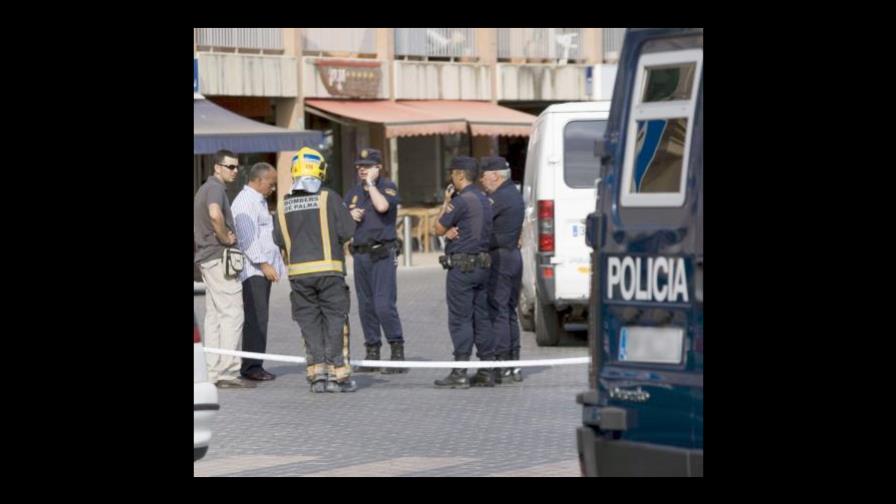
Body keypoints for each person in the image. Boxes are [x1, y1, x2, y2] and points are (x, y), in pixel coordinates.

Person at [273, 147, 358, 393]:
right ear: (320, 171)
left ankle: (317, 376)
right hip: (329, 273)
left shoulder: (282, 205)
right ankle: (338, 376)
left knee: (309, 323)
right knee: (335, 321)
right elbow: (347, 232)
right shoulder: (328, 197)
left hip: (299, 277)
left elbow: (278, 239)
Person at [193, 150, 255, 389]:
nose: (235, 171)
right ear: (217, 167)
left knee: (215, 315)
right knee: (232, 313)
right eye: (230, 167)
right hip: (219, 257)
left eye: (237, 167)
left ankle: (213, 369)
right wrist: (225, 238)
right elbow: (214, 214)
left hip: (208, 259)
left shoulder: (203, 189)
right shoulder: (215, 189)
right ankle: (228, 371)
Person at [432, 156, 495, 388]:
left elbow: (437, 228)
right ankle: (487, 369)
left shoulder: (460, 201)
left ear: (460, 175)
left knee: (460, 319)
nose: (451, 178)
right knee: (482, 318)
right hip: (483, 266)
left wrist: (445, 202)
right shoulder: (485, 200)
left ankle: (459, 370)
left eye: (452, 174)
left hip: (462, 267)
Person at [343, 148, 407, 374]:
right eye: (360, 166)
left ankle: (397, 350)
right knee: (366, 306)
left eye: (367, 166)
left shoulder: (387, 187)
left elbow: (382, 207)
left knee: (383, 304)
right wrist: (349, 217)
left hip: (382, 253)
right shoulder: (352, 193)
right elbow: (343, 225)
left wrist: (371, 186)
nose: (362, 169)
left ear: (378, 167)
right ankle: (372, 351)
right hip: (360, 254)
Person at [231, 162, 285, 382]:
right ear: (259, 180)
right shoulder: (245, 202)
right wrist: (264, 265)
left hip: (262, 270)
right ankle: (251, 367)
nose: (273, 188)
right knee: (256, 319)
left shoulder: (259, 200)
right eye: (271, 184)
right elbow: (246, 238)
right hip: (253, 271)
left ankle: (255, 363)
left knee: (261, 318)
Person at [479, 156, 525, 383]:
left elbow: (482, 223)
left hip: (501, 258)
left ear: (495, 175)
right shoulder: (513, 194)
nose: (482, 180)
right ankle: (513, 362)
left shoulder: (499, 197)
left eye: (484, 176)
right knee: (508, 310)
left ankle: (501, 361)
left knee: (498, 310)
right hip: (512, 256)